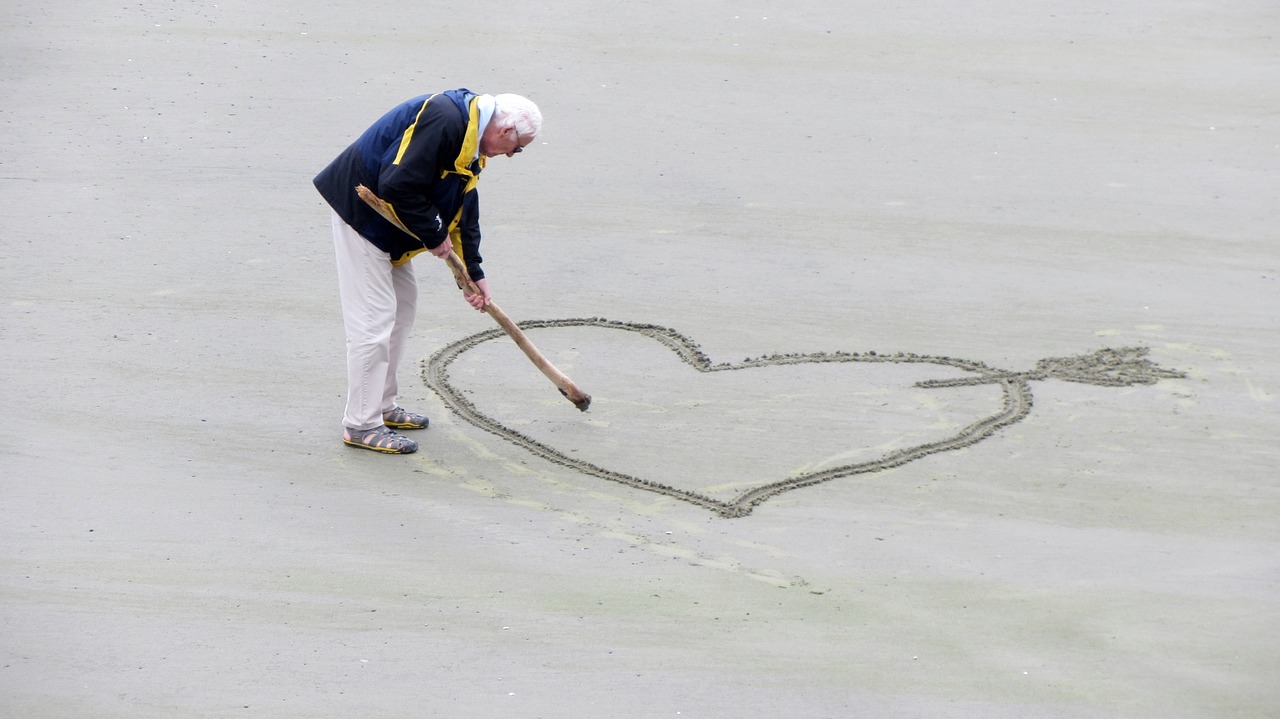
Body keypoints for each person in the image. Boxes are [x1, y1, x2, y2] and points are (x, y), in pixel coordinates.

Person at [314, 89, 541, 454]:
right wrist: (434, 237)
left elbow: (463, 205)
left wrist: (473, 273)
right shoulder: (446, 119)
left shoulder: (471, 141)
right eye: (518, 147)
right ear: (506, 130)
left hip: (390, 228)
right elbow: (395, 183)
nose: (513, 155)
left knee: (403, 308)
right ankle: (360, 423)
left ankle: (382, 407)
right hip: (361, 216)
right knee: (373, 322)